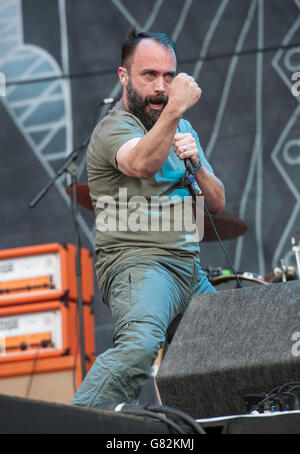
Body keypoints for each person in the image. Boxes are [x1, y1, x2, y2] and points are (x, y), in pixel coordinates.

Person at [71, 28, 225, 408]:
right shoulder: (114, 127)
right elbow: (141, 163)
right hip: (137, 263)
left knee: (227, 344)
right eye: (150, 75)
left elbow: (217, 203)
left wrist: (198, 166)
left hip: (187, 268)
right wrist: (175, 110)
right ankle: (76, 423)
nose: (161, 86)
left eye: (169, 77)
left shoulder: (182, 128)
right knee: (139, 345)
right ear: (123, 77)